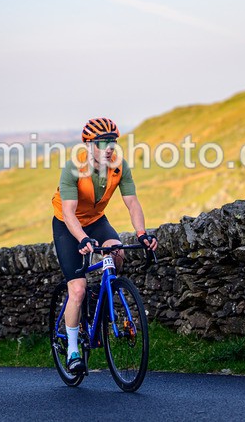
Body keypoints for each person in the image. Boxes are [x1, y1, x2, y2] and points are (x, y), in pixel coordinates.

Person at [51, 117, 158, 373]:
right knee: (77, 289)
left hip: (97, 221)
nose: (109, 147)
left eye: (113, 141)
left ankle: (104, 294)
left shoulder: (119, 167)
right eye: (102, 142)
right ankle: (74, 350)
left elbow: (132, 202)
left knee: (116, 253)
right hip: (69, 225)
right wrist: (83, 239)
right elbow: (68, 213)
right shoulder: (73, 169)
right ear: (89, 145)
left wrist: (142, 233)